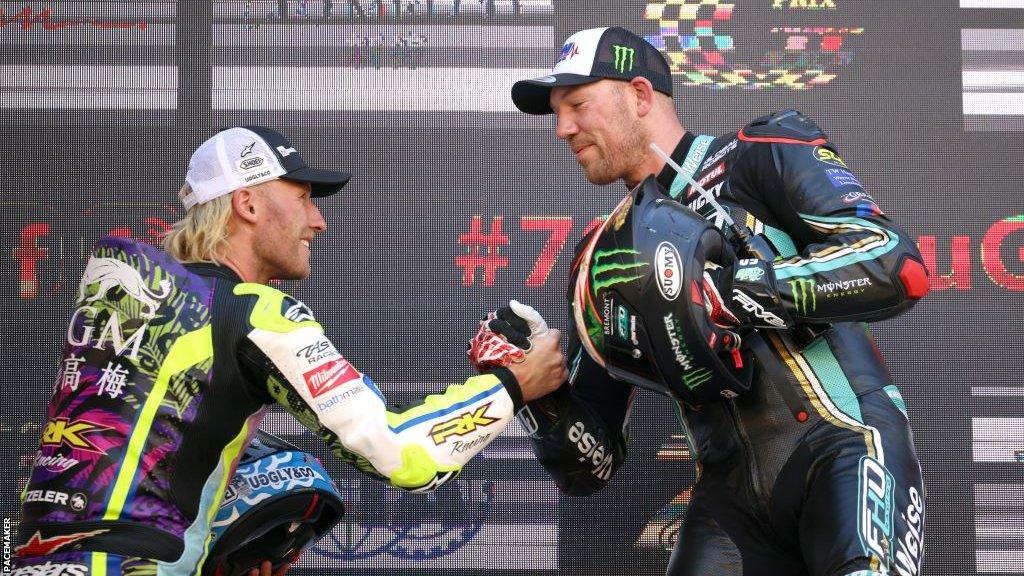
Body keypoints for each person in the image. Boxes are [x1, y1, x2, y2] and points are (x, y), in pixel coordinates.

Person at [12, 126, 567, 576]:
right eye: (302, 198)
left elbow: (149, 452)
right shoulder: (255, 313)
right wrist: (515, 384)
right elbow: (400, 455)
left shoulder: (136, 295)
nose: (318, 221)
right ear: (247, 202)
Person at [484, 26, 931, 576]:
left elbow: (895, 266)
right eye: (557, 113)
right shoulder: (600, 260)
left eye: (576, 104)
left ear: (640, 96)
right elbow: (591, 467)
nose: (562, 129)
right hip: (728, 502)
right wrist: (539, 394)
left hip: (843, 448)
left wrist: (729, 292)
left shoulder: (759, 154)